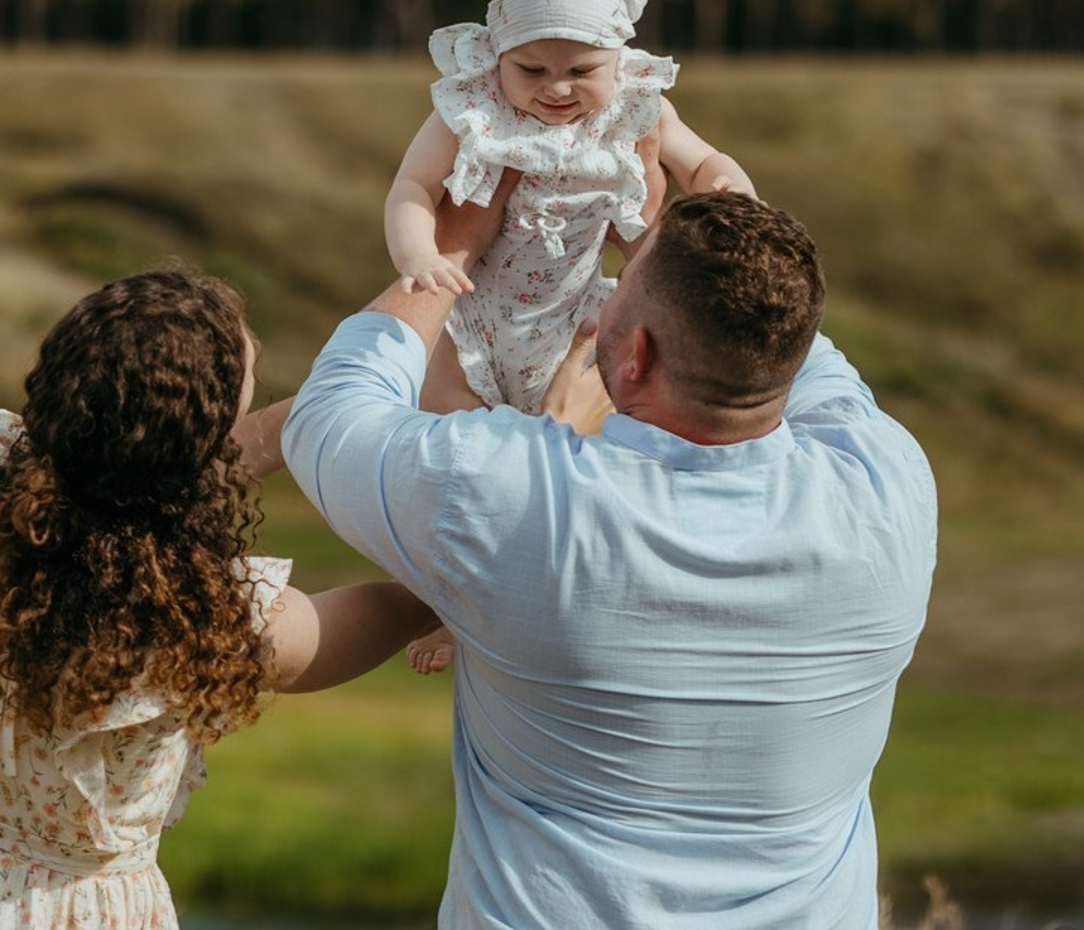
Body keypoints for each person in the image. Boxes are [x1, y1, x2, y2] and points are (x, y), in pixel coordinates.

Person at [283, 186, 938, 928]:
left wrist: (450, 255)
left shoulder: (516, 498)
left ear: (637, 356)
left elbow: (329, 417)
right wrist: (676, 255)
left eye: (619, 284)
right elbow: (785, 335)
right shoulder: (889, 489)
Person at [0, 268, 435, 929]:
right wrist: (447, 592)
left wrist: (358, 374)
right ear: (197, 453)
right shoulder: (189, 611)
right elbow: (365, 617)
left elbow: (158, 448)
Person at [385, 0, 754, 419]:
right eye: (530, 69)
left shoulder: (633, 107)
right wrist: (417, 253)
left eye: (582, 71)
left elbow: (702, 163)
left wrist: (728, 192)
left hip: (575, 317)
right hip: (470, 313)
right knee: (453, 424)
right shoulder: (477, 108)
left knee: (596, 424)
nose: (556, 88)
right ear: (497, 50)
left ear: (618, 57)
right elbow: (414, 186)